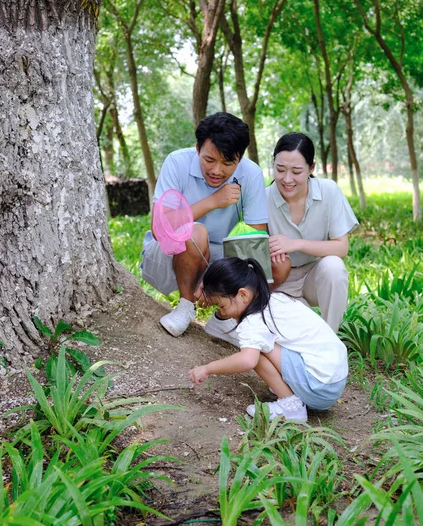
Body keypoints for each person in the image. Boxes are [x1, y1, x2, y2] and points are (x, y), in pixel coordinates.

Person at [141, 112, 268, 337]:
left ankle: (227, 317)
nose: (217, 171)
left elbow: (254, 240)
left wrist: (218, 279)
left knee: (274, 259)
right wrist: (212, 201)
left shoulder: (251, 174)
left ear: (240, 158)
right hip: (166, 256)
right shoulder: (176, 162)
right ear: (197, 148)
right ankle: (185, 307)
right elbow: (160, 229)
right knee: (195, 232)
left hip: (216, 259)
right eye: (209, 160)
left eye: (228, 163)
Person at [189, 257, 348, 422]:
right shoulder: (275, 299)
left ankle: (291, 407)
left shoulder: (254, 320)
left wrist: (208, 368)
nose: (224, 314)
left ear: (243, 294)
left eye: (222, 306)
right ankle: (292, 389)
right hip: (334, 381)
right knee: (264, 343)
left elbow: (247, 361)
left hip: (319, 388)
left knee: (256, 352)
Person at [267, 133, 359, 332]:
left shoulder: (329, 191)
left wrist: (296, 243)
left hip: (314, 277)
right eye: (280, 169)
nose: (287, 179)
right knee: (298, 335)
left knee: (334, 266)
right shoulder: (263, 198)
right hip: (279, 284)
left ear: (312, 168)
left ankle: (331, 340)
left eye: (297, 171)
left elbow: (341, 247)